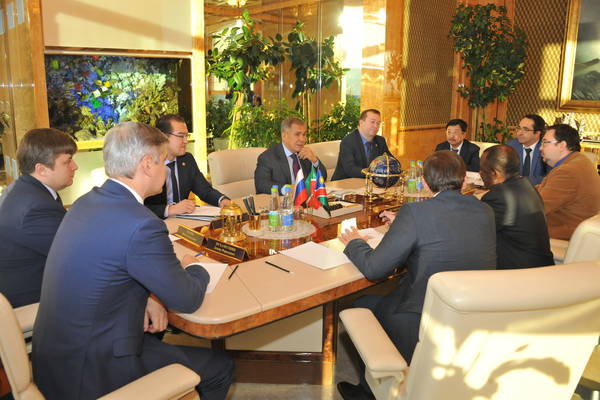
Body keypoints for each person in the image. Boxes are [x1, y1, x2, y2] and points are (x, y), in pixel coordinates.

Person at [32, 122, 234, 400]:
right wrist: (196, 266)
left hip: (56, 358)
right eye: (163, 161)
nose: (167, 169)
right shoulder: (142, 224)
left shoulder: (85, 202)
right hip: (93, 371)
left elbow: (110, 268)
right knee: (220, 368)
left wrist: (151, 296)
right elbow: (187, 299)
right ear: (147, 164)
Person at [337, 150, 496, 400]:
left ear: (424, 182)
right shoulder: (484, 210)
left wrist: (355, 242)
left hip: (421, 320)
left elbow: (375, 268)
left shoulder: (416, 213)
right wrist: (402, 225)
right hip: (470, 316)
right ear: (463, 179)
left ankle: (369, 392)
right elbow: (448, 232)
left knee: (362, 303)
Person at [0, 128, 77, 307]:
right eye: (67, 161)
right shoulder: (36, 208)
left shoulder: (26, 189)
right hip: (30, 304)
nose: (75, 166)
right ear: (41, 170)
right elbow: (76, 254)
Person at [479, 145, 554, 269]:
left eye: (482, 170)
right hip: (540, 266)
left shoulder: (498, 197)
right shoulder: (526, 185)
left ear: (495, 173)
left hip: (519, 272)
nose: (480, 173)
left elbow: (476, 231)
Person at [144, 114, 230, 218]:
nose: (186, 141)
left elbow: (204, 190)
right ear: (163, 137)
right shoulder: (148, 164)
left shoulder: (187, 159)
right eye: (181, 136)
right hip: (157, 221)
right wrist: (169, 210)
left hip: (183, 220)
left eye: (186, 136)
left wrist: (221, 200)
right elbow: (137, 206)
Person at [537, 124, 600, 240]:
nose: (540, 148)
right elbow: (545, 188)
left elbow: (536, 207)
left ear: (562, 145)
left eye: (545, 143)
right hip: (568, 229)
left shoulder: (568, 171)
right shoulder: (578, 161)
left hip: (559, 234)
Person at [254, 117, 327, 194]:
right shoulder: (267, 157)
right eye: (297, 134)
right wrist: (287, 189)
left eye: (304, 134)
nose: (302, 139)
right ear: (284, 136)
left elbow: (323, 178)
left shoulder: (305, 154)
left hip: (307, 199)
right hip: (283, 200)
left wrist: (315, 161)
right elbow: (261, 185)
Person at [331, 109, 394, 180]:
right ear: (361, 122)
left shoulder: (380, 141)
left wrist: (395, 168)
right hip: (345, 183)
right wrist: (374, 173)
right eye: (372, 122)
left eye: (378, 123)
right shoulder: (348, 141)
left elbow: (391, 161)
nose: (376, 126)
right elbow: (350, 169)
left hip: (369, 182)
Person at [506, 114, 548, 185]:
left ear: (537, 133)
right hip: (514, 188)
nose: (519, 133)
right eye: (519, 128)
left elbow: (550, 176)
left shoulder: (546, 148)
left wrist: (522, 181)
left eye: (525, 129)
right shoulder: (511, 146)